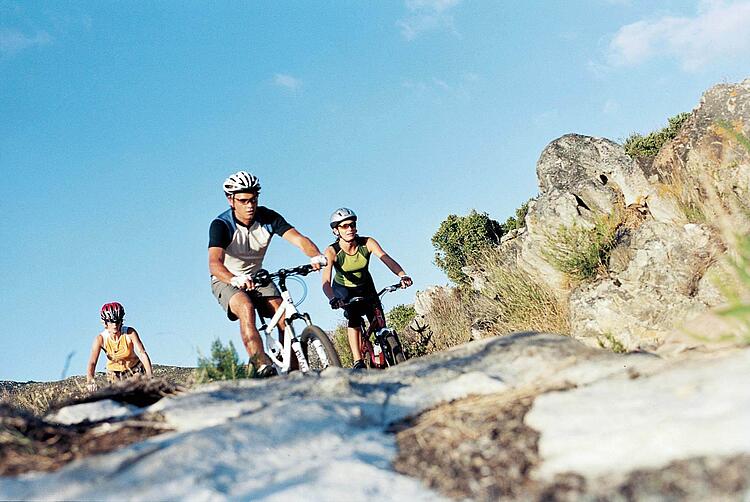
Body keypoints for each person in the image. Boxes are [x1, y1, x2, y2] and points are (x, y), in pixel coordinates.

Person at [208, 170, 326, 378]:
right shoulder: (221, 225)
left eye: (253, 200)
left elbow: (298, 239)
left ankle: (293, 372)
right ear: (231, 200)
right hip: (226, 278)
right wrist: (234, 278)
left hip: (257, 276)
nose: (250, 205)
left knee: (285, 315)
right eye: (244, 201)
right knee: (246, 308)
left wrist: (315, 255)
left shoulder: (268, 217)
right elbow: (214, 263)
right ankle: (262, 365)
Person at [321, 208, 412, 370]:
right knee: (354, 317)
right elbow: (326, 282)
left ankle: (387, 348)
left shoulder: (367, 243)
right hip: (344, 289)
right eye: (344, 226)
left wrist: (402, 275)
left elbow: (386, 258)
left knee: (378, 318)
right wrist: (333, 299)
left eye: (352, 225)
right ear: (336, 231)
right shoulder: (332, 251)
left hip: (366, 287)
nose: (350, 229)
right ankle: (358, 361)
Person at [86, 302, 153, 391]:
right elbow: (92, 363)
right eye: (111, 322)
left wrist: (149, 375)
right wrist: (90, 381)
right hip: (114, 374)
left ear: (121, 321)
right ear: (105, 323)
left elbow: (142, 353)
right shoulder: (100, 339)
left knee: (135, 388)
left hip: (134, 370)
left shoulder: (129, 333)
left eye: (117, 321)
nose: (115, 325)